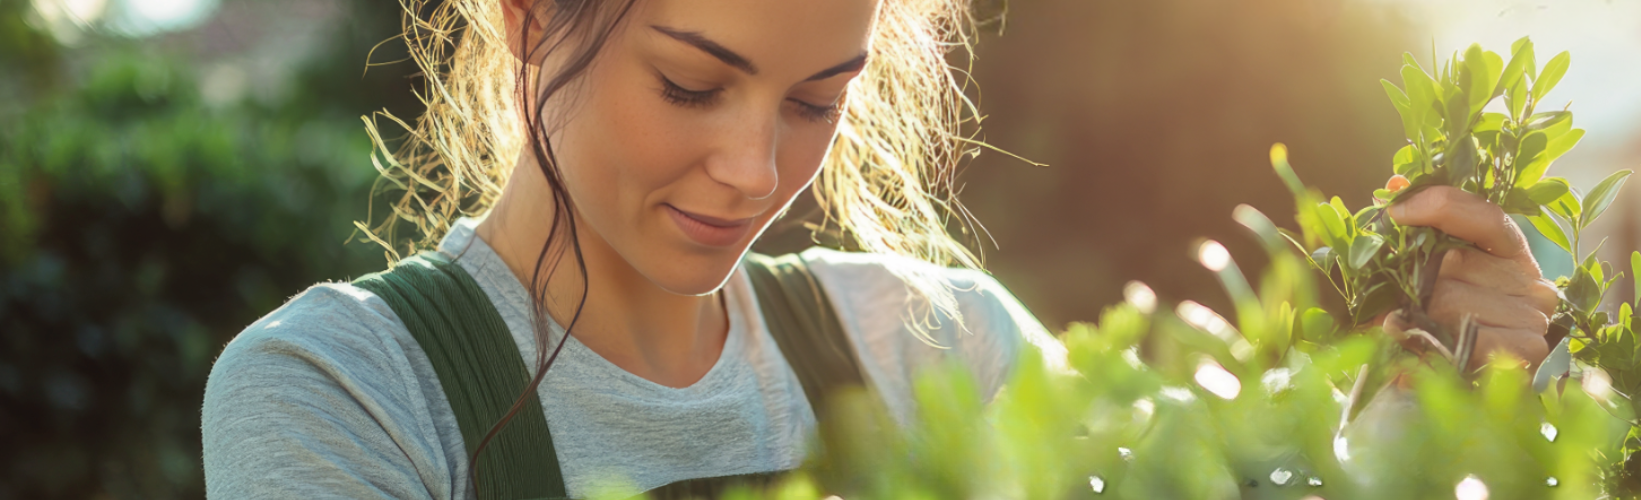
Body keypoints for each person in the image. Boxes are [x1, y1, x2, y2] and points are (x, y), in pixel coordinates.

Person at [198, 0, 1561, 497]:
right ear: (530, 25)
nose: (753, 171)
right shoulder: (343, 392)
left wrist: (1455, 403)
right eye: (690, 84)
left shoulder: (931, 343)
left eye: (813, 103)